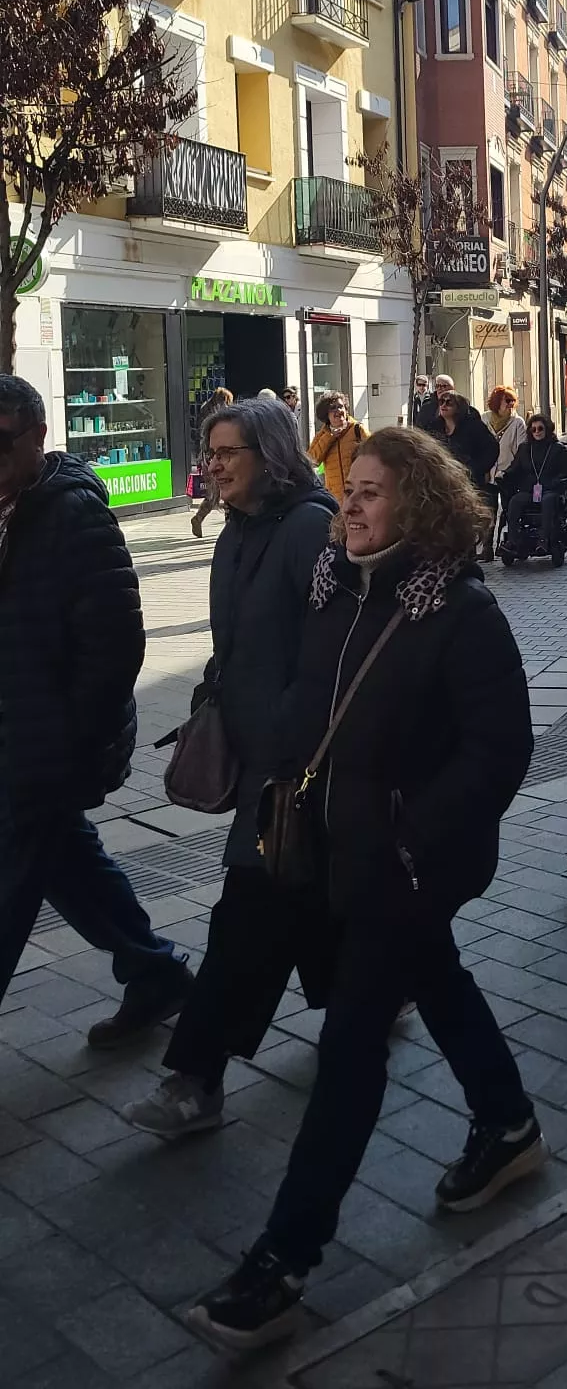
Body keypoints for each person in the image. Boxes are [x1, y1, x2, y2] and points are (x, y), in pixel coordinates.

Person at [188, 429, 539, 1353]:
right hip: (333, 851)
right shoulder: (334, 588)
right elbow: (313, 702)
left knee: (349, 1046)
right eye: (350, 490)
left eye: (372, 493)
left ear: (417, 504)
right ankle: (508, 1123)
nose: (350, 506)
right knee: (440, 978)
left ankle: (284, 1260)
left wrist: (408, 835)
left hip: (408, 864)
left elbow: (502, 751)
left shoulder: (459, 611)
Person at [126, 398, 337, 1138]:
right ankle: (372, 996)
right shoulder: (239, 531)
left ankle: (196, 1079)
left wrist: (287, 733)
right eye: (209, 452)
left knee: (244, 917)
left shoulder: (310, 527)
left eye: (226, 453)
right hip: (259, 754)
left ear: (269, 454)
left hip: (293, 768)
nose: (211, 465)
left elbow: (327, 650)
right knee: (306, 901)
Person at [0, 375, 192, 1038]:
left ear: (37, 438)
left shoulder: (71, 512)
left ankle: (159, 975)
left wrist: (69, 747)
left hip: (42, 748)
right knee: (66, 862)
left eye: (0, 444)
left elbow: (114, 648)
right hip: (16, 738)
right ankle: (156, 972)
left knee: (14, 882)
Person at [506, 414, 567, 549]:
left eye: (540, 429)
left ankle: (544, 539)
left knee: (548, 501)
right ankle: (513, 540)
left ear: (547, 429)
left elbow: (566, 472)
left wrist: (555, 483)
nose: (537, 432)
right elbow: (515, 468)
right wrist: (504, 475)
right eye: (533, 429)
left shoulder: (557, 449)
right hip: (531, 490)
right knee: (515, 501)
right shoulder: (524, 449)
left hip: (551, 489)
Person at [485, 386, 526, 561]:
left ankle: (510, 542)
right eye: (506, 401)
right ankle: (486, 547)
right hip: (489, 473)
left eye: (512, 401)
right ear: (496, 403)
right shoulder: (484, 419)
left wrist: (511, 472)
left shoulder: (518, 423)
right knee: (488, 511)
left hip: (509, 475)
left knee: (509, 510)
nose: (510, 405)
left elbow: (521, 449)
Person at [435, 391, 500, 497]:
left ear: (459, 407)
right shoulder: (435, 426)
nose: (443, 405)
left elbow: (492, 448)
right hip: (442, 482)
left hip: (469, 484)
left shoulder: (474, 426)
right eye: (441, 402)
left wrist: (475, 469)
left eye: (449, 402)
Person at [307, 394, 369, 503]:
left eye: (341, 406)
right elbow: (312, 460)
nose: (338, 410)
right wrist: (330, 437)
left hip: (358, 495)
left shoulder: (357, 429)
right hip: (335, 499)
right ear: (326, 414)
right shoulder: (322, 435)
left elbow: (375, 454)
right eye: (333, 408)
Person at [190, 386, 234, 537]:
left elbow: (198, 437)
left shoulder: (205, 410)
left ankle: (199, 518)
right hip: (218, 457)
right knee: (224, 491)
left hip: (205, 457)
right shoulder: (222, 415)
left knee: (214, 493)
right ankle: (229, 524)